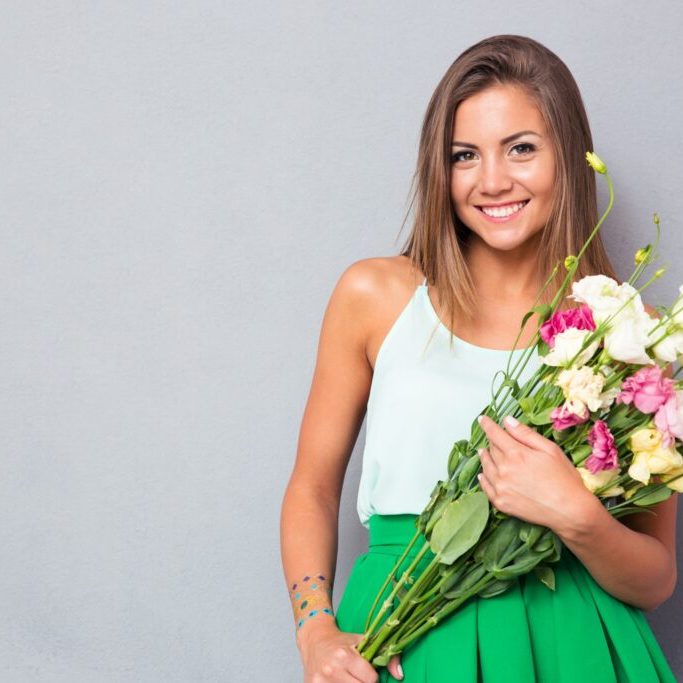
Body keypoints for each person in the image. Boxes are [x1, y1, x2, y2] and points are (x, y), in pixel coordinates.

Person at [280, 34, 678, 682]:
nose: (492, 180)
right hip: (405, 633)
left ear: (570, 158)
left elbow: (655, 577)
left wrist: (575, 515)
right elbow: (311, 487)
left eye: (520, 148)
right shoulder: (374, 296)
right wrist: (315, 629)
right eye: (464, 155)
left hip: (574, 643)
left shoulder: (633, 336)